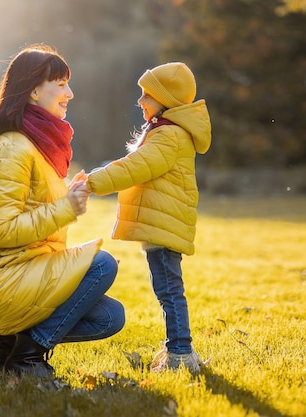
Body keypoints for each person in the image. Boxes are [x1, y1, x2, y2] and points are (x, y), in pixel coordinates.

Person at [0, 44, 125, 378]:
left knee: (109, 317)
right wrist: (65, 209)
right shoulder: (13, 149)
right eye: (59, 84)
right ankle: (26, 358)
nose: (69, 93)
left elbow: (34, 226)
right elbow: (2, 233)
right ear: (32, 91)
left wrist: (67, 200)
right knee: (101, 265)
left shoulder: (37, 149)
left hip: (17, 270)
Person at [86, 62, 211, 373]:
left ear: (165, 99)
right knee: (167, 290)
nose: (139, 101)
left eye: (147, 95)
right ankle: (179, 350)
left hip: (163, 227)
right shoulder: (165, 132)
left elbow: (134, 167)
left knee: (169, 290)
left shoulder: (168, 137)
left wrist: (91, 182)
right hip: (160, 225)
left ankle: (181, 353)